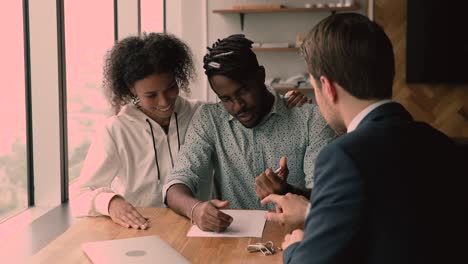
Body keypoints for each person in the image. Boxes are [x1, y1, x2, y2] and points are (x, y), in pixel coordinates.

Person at [261, 13, 466, 264]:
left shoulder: (343, 156)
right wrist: (313, 212)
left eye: (314, 87)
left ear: (328, 87)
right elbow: (394, 226)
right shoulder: (439, 142)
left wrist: (296, 247)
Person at [70, 33, 311, 230]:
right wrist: (111, 202)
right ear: (131, 90)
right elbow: (80, 193)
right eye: (151, 95)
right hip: (139, 229)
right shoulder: (115, 129)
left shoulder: (200, 113)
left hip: (197, 231)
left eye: (171, 88)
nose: (165, 102)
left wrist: (283, 100)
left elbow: (242, 99)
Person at [164, 34, 336, 232]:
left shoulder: (310, 119)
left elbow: (326, 197)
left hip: (294, 237)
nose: (238, 106)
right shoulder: (210, 119)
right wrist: (194, 209)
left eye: (243, 91)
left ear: (261, 76)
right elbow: (176, 183)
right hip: (231, 240)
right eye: (226, 99)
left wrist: (287, 192)